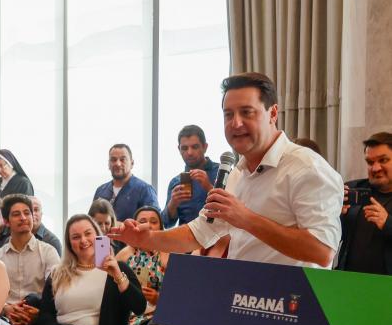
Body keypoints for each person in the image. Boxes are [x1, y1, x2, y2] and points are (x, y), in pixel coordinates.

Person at [109, 72, 343, 269]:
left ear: (273, 114)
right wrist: (146, 238)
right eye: (228, 114)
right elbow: (199, 232)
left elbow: (322, 251)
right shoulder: (236, 174)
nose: (236, 123)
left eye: (247, 112)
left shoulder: (306, 167)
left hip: (292, 302)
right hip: (241, 295)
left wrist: (246, 219)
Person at [0, 195, 60, 325]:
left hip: (39, 319)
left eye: (27, 213)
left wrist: (39, 313)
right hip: (6, 322)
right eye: (16, 214)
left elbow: (57, 292)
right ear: (6, 221)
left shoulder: (48, 252)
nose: (23, 218)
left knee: (33, 299)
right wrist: (6, 308)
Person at [336, 131, 392, 275]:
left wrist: (387, 223)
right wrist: (335, 216)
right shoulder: (352, 189)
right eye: (370, 162)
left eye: (383, 160)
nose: (375, 168)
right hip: (347, 280)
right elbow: (331, 238)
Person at [161, 125, 221, 228]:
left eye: (195, 147)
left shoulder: (222, 172)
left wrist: (209, 187)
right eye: (184, 148)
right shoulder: (176, 182)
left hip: (219, 236)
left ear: (205, 147)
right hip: (186, 236)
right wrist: (173, 203)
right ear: (179, 149)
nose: (189, 152)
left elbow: (233, 211)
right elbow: (166, 224)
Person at [93, 144, 159, 223]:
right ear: (108, 164)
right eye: (113, 160)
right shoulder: (100, 191)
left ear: (132, 163)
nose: (118, 164)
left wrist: (121, 226)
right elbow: (92, 222)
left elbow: (154, 224)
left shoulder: (145, 190)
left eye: (122, 160)